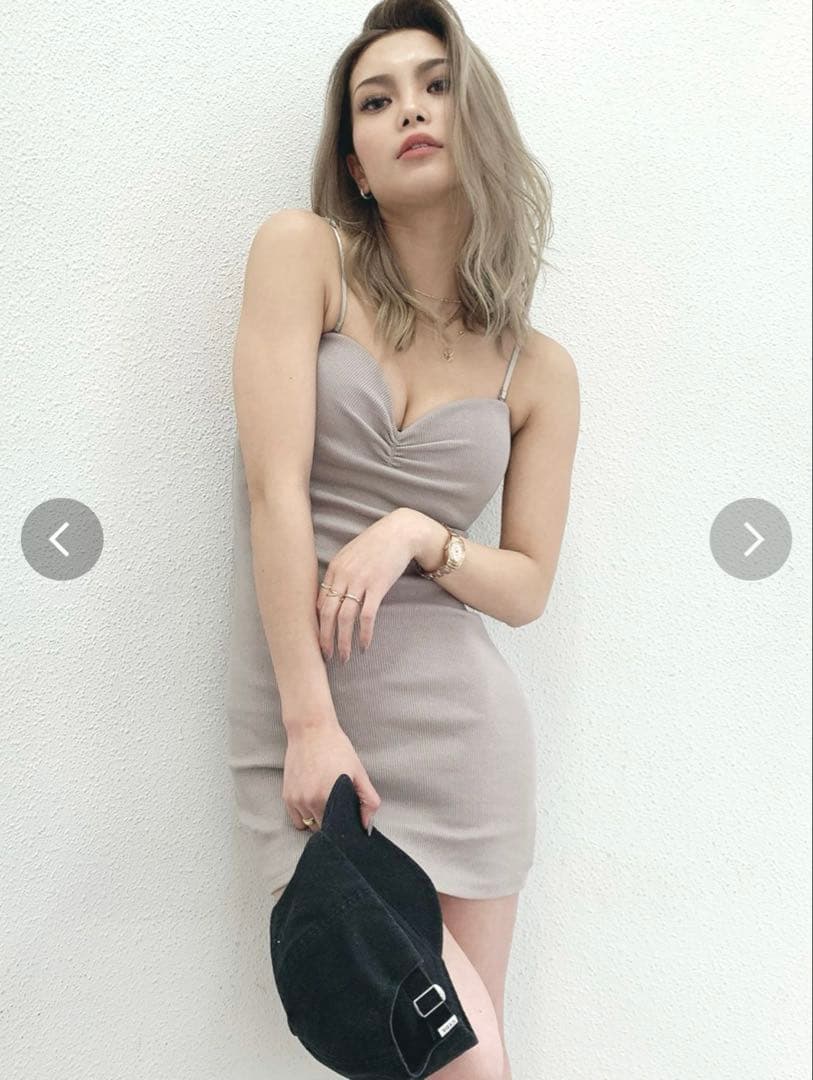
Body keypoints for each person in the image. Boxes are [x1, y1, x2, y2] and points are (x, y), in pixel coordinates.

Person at [226, 1, 580, 1076]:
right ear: (357, 164)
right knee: (457, 1063)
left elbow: (526, 587)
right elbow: (274, 493)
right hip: (316, 720)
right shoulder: (303, 254)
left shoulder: (538, 369)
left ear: (478, 122)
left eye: (435, 86)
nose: (410, 111)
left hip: (466, 741)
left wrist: (425, 532)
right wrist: (309, 723)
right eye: (375, 102)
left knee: (463, 1061)